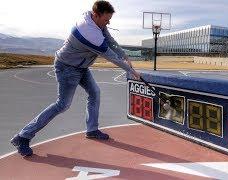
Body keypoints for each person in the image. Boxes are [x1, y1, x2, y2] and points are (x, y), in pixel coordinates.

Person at [10, 0, 140, 157]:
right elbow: (110, 56)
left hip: (81, 67)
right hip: (67, 67)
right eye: (106, 19)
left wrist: (125, 55)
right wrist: (130, 70)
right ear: (95, 15)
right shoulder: (88, 32)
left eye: (109, 20)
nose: (108, 22)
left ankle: (92, 130)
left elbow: (111, 41)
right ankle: (23, 136)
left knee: (95, 93)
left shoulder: (98, 24)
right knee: (62, 104)